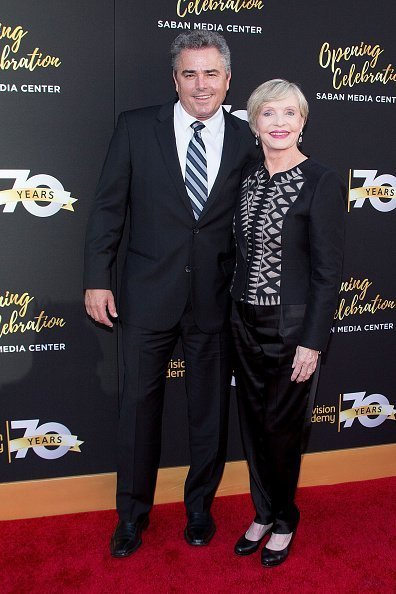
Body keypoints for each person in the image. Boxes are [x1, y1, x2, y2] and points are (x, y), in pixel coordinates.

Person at [84, 31, 257, 558]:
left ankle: (199, 508)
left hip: (215, 297)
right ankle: (131, 517)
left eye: (211, 74)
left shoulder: (250, 135)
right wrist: (97, 277)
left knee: (208, 412)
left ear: (228, 80)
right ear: (174, 79)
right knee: (137, 410)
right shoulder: (137, 127)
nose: (200, 85)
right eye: (189, 73)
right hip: (145, 295)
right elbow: (109, 208)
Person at [231, 79, 345, 567]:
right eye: (268, 114)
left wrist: (312, 341)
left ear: (303, 121)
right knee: (253, 424)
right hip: (241, 319)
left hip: (293, 328)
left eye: (289, 114)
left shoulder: (321, 180)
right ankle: (262, 511)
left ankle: (283, 517)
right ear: (254, 123)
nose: (279, 124)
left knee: (282, 428)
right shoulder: (245, 176)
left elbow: (327, 270)